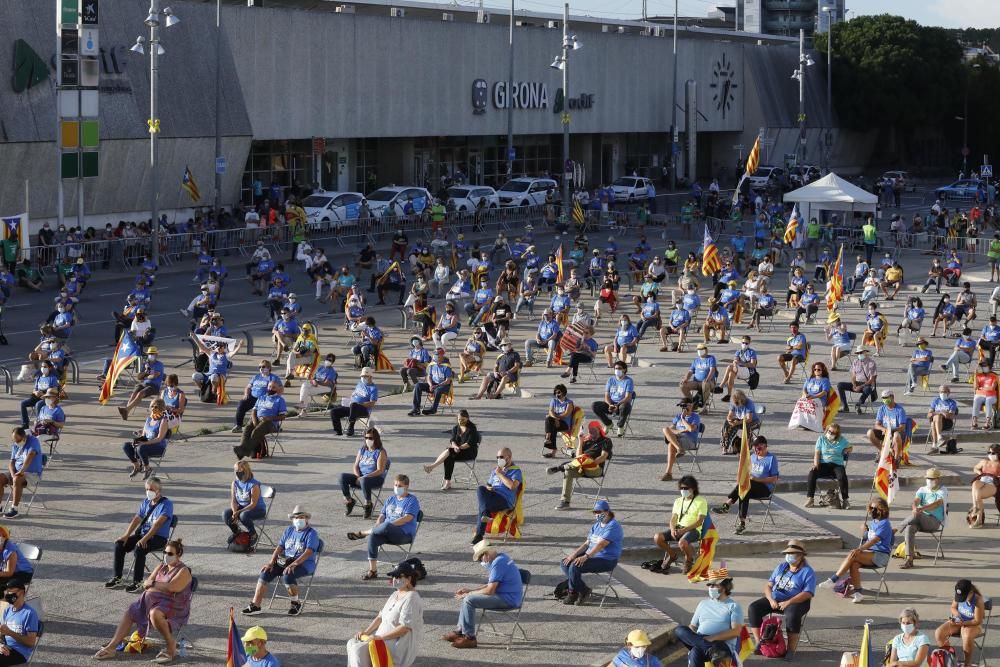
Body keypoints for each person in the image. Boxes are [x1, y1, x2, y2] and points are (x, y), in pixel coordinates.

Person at [94, 538, 192, 663]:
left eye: (170, 554)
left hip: (174, 606)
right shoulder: (161, 566)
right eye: (165, 553)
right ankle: (112, 647)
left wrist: (154, 584)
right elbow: (146, 584)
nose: (166, 556)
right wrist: (158, 586)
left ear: (179, 555)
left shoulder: (183, 570)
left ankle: (171, 645)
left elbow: (172, 587)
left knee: (154, 613)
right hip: (153, 601)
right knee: (131, 610)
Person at [442, 541, 523, 649]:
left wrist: (469, 593)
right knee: (468, 598)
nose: (482, 562)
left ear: (486, 555)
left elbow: (490, 590)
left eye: (481, 559)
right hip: (507, 596)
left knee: (469, 600)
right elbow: (491, 585)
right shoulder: (502, 557)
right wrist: (471, 590)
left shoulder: (498, 563)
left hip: (508, 599)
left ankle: (470, 638)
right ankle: (460, 631)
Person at [241, 505, 320, 617]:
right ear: (292, 519)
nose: (299, 520)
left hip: (304, 563)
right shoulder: (289, 530)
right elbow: (279, 547)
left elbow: (308, 552)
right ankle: (256, 605)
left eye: (302, 517)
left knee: (288, 574)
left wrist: (294, 564)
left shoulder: (312, 533)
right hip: (286, 561)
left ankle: (295, 603)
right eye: (296, 517)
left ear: (307, 519)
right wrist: (271, 562)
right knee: (265, 572)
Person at [346, 560, 423, 667]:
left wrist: (379, 638)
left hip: (394, 644)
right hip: (379, 639)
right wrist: (365, 632)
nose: (395, 580)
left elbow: (404, 628)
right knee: (352, 642)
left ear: (409, 579)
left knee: (358, 649)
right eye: (394, 577)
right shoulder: (395, 594)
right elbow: (380, 617)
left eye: (398, 577)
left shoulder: (412, 598)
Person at [747, 540, 815, 660]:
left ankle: (791, 649)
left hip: (796, 601)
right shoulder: (781, 567)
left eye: (792, 553)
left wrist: (789, 602)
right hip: (776, 599)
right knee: (753, 608)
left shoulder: (807, 572)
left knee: (792, 616)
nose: (788, 556)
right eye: (788, 553)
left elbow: (808, 593)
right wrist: (771, 599)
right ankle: (760, 643)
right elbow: (768, 585)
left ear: (800, 555)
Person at [105, 477, 173, 593]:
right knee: (119, 544)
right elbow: (137, 519)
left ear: (159, 490)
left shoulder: (166, 504)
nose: (148, 492)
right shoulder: (146, 502)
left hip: (158, 537)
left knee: (140, 548)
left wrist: (145, 539)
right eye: (147, 489)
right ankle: (117, 578)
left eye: (151, 489)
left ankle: (138, 581)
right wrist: (126, 535)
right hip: (143, 535)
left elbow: (157, 525)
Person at [819, 497, 892, 603]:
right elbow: (866, 538)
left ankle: (834, 579)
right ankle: (858, 593)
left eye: (875, 508)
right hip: (870, 553)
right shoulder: (874, 522)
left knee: (853, 554)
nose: (873, 511)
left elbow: (874, 541)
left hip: (881, 555)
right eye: (871, 508)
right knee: (854, 564)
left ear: (882, 510)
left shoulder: (884, 523)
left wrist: (859, 549)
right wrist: (864, 530)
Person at [348, 475, 421, 581]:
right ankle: (373, 571)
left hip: (403, 534)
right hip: (386, 531)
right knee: (373, 536)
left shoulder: (412, 500)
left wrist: (388, 525)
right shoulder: (391, 499)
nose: (397, 487)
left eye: (400, 485)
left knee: (387, 525)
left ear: (407, 486)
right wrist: (378, 524)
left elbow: (407, 518)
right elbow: (382, 515)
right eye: (395, 485)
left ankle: (363, 533)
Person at [558, 500, 623, 606]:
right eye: (595, 512)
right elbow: (586, 544)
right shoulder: (596, 526)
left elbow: (601, 545)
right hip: (592, 556)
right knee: (565, 563)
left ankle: (573, 592)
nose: (596, 515)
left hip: (606, 559)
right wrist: (573, 555)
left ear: (606, 512)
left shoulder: (613, 526)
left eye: (598, 512)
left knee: (575, 566)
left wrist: (586, 556)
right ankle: (582, 589)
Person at [675, 568, 743, 667]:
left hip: (720, 646)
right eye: (709, 585)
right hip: (705, 644)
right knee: (679, 630)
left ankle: (712, 649)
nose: (710, 588)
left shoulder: (733, 606)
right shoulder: (703, 603)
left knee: (695, 651)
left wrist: (712, 638)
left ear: (724, 587)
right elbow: (692, 627)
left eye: (713, 585)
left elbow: (736, 631)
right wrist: (695, 639)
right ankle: (709, 649)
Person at [712, 435, 779, 535]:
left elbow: (774, 479)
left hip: (765, 488)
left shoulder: (771, 459)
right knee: (744, 490)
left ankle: (727, 505)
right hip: (750, 486)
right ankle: (742, 522)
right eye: (754, 448)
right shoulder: (752, 457)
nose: (756, 450)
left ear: (765, 446)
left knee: (746, 486)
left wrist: (757, 479)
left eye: (759, 448)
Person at [550, 420, 613, 509]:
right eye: (590, 430)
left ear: (599, 429)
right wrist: (580, 441)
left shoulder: (606, 441)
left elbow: (603, 457)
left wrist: (590, 463)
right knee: (568, 471)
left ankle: (561, 467)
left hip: (595, 469)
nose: (592, 432)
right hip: (582, 467)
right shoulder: (587, 441)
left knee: (570, 465)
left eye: (594, 430)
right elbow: (578, 456)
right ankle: (565, 501)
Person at [651, 476, 706, 574]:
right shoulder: (678, 501)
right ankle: (672, 555)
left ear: (693, 488)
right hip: (678, 528)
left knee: (682, 543)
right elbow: (673, 518)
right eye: (681, 488)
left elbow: (699, 522)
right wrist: (672, 529)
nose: (683, 490)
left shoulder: (701, 501)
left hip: (694, 530)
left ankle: (689, 560)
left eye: (686, 488)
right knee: (657, 537)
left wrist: (683, 530)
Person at [896, 468, 947, 570]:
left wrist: (922, 509)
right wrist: (915, 508)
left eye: (932, 478)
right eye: (928, 478)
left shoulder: (942, 490)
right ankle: (909, 560)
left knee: (918, 514)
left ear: (938, 479)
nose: (929, 480)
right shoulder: (922, 489)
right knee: (909, 528)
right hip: (919, 520)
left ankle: (895, 529)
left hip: (934, 521)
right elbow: (916, 500)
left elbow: (937, 503)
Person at [470, 447, 522, 544]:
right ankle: (485, 516)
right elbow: (488, 485)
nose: (499, 459)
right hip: (492, 496)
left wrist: (500, 474)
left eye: (501, 457)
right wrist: (489, 488)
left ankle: (479, 534)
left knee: (483, 508)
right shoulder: (495, 470)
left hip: (504, 500)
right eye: (497, 457)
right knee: (480, 488)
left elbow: (512, 486)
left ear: (509, 457)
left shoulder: (516, 471)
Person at [423, 410, 480, 490]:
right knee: (448, 456)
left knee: (449, 451)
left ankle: (432, 467)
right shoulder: (456, 428)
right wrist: (455, 447)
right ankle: (448, 482)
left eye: (463, 419)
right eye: (459, 419)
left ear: (467, 418)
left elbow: (468, 444)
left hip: (469, 452)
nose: (460, 421)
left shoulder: (472, 428)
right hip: (457, 451)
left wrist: (458, 448)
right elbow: (452, 440)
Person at [935, 579, 986, 667]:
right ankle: (951, 659)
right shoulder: (959, 594)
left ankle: (967, 664)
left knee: (966, 635)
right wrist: (957, 616)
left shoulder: (978, 600)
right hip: (960, 622)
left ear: (971, 592)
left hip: (973, 624)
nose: (961, 600)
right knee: (938, 633)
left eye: (963, 597)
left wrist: (963, 623)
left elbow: (977, 620)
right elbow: (953, 607)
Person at [340, 427, 389, 519]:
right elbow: (355, 465)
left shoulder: (380, 452)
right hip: (361, 478)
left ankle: (368, 505)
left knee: (364, 480)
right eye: (366, 438)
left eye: (370, 438)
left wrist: (364, 477)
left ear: (376, 439)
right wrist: (358, 476)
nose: (368, 440)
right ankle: (349, 501)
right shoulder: (362, 450)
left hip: (375, 478)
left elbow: (380, 470)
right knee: (342, 476)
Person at [234, 381, 286, 460]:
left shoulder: (279, 400)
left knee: (256, 431)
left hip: (270, 423)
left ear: (278, 389)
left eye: (273, 387)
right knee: (247, 428)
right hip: (257, 419)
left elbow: (283, 416)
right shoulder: (262, 397)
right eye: (269, 386)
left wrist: (269, 418)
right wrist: (254, 421)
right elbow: (254, 410)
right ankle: (242, 449)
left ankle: (245, 451)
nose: (271, 388)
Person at [123, 398, 171, 481]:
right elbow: (144, 435)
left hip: (158, 447)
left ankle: (147, 468)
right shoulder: (149, 419)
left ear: (161, 408)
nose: (153, 408)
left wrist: (144, 443)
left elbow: (159, 439)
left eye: (155, 407)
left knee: (140, 448)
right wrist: (139, 434)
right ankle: (137, 466)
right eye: (151, 406)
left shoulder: (163, 420)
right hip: (146, 444)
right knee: (126, 446)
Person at [0, 429, 42, 521]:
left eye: (18, 440)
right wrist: (12, 474)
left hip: (32, 474)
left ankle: (14, 509)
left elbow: (31, 455)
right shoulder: (15, 445)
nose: (16, 442)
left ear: (24, 437)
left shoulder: (33, 441)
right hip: (17, 472)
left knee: (17, 479)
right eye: (14, 440)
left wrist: (22, 471)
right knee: (1, 478)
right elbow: (11, 462)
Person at [234, 361, 284, 433]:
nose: (261, 368)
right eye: (259, 367)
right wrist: (246, 394)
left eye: (263, 367)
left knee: (270, 408)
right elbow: (248, 387)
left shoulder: (273, 378)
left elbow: (281, 388)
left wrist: (276, 397)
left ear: (269, 368)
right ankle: (239, 425)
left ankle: (275, 425)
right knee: (241, 404)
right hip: (253, 397)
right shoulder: (256, 377)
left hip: (264, 399)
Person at [225, 461, 267, 546]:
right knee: (226, 514)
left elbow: (253, 504)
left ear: (245, 471)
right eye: (235, 470)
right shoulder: (235, 483)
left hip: (257, 509)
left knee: (243, 515)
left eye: (238, 470)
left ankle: (253, 534)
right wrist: (234, 512)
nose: (236, 473)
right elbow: (233, 500)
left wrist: (238, 512)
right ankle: (236, 531)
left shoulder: (253, 484)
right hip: (242, 508)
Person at [661, 399, 701, 482]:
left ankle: (668, 473)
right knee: (665, 429)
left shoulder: (695, 417)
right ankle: (679, 449)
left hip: (690, 440)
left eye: (684, 406)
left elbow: (690, 429)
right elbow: (670, 429)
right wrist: (679, 431)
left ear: (690, 406)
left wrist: (683, 418)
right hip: (678, 438)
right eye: (681, 407)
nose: (682, 409)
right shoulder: (677, 416)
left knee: (671, 445)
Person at [0, 581, 39, 665]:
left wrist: (9, 632)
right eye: (7, 591)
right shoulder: (7, 610)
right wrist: (0, 645)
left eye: (10, 591)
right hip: (5, 648)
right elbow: (1, 632)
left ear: (21, 592)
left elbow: (31, 642)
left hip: (19, 652)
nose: (7, 593)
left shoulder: (30, 613)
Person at [331, 367, 378, 437]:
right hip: (352, 407)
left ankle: (351, 427)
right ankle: (338, 431)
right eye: (362, 376)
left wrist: (360, 404)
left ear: (370, 377)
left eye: (365, 376)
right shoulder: (360, 384)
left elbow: (372, 403)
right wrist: (348, 400)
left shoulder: (373, 388)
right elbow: (354, 395)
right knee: (334, 411)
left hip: (363, 410)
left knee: (354, 405)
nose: (363, 378)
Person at [594, 361, 635, 437]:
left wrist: (617, 405)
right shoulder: (610, 380)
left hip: (621, 404)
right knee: (595, 405)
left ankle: (620, 426)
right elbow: (607, 396)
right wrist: (610, 405)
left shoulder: (628, 381)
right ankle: (608, 424)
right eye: (615, 368)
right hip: (611, 404)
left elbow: (628, 397)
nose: (617, 370)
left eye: (619, 368)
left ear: (624, 369)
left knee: (625, 406)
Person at [409, 348, 453, 417]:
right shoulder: (432, 364)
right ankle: (416, 409)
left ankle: (433, 409)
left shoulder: (446, 366)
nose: (434, 356)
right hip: (433, 384)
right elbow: (428, 376)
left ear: (441, 356)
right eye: (434, 354)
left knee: (438, 390)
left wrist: (437, 386)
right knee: (418, 385)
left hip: (444, 386)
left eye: (437, 355)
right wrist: (430, 385)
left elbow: (447, 381)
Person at [867, 390, 908, 460]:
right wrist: (883, 429)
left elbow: (902, 427)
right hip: (885, 431)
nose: (884, 400)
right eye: (883, 398)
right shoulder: (881, 409)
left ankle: (896, 458)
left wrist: (890, 430)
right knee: (869, 433)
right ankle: (883, 451)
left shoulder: (900, 410)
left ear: (892, 397)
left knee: (896, 435)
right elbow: (877, 425)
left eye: (886, 397)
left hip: (896, 432)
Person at [17, 361, 58, 430]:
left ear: (50, 368)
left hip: (48, 399)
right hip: (37, 397)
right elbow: (34, 389)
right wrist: (36, 392)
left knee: (38, 404)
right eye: (42, 366)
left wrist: (44, 395)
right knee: (23, 403)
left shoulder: (52, 378)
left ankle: (40, 424)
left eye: (45, 367)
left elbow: (54, 392)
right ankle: (25, 424)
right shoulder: (39, 377)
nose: (43, 368)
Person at [969, 443, 1000, 528]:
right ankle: (976, 508)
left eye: (993, 453)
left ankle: (978, 518)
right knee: (975, 483)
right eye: (989, 453)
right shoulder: (984, 461)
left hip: (993, 483)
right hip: (982, 481)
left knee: (977, 493)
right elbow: (975, 468)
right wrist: (980, 473)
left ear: (998, 453)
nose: (990, 455)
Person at [679, 344, 717, 413]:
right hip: (696, 382)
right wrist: (686, 379)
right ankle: (691, 403)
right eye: (698, 350)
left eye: (701, 349)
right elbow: (690, 371)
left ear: (705, 350)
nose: (699, 351)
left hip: (709, 382)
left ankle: (704, 407)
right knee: (683, 385)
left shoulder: (711, 358)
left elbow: (712, 370)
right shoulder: (696, 360)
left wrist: (707, 379)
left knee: (705, 384)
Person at [719, 336, 757, 402]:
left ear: (749, 343)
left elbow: (753, 365)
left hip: (748, 372)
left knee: (729, 367)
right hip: (738, 370)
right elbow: (735, 361)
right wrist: (735, 366)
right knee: (731, 373)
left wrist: (741, 363)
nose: (744, 344)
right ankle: (729, 395)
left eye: (746, 343)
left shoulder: (752, 352)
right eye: (743, 342)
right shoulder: (738, 352)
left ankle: (721, 386)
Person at [971, 363, 999, 430]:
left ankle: (988, 422)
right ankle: (975, 421)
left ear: (989, 367)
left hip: (991, 396)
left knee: (988, 401)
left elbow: (992, 388)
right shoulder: (979, 376)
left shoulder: (994, 376)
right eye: (983, 366)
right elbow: (975, 387)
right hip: (980, 395)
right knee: (976, 399)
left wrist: (981, 388)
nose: (984, 367)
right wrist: (975, 375)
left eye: (985, 366)